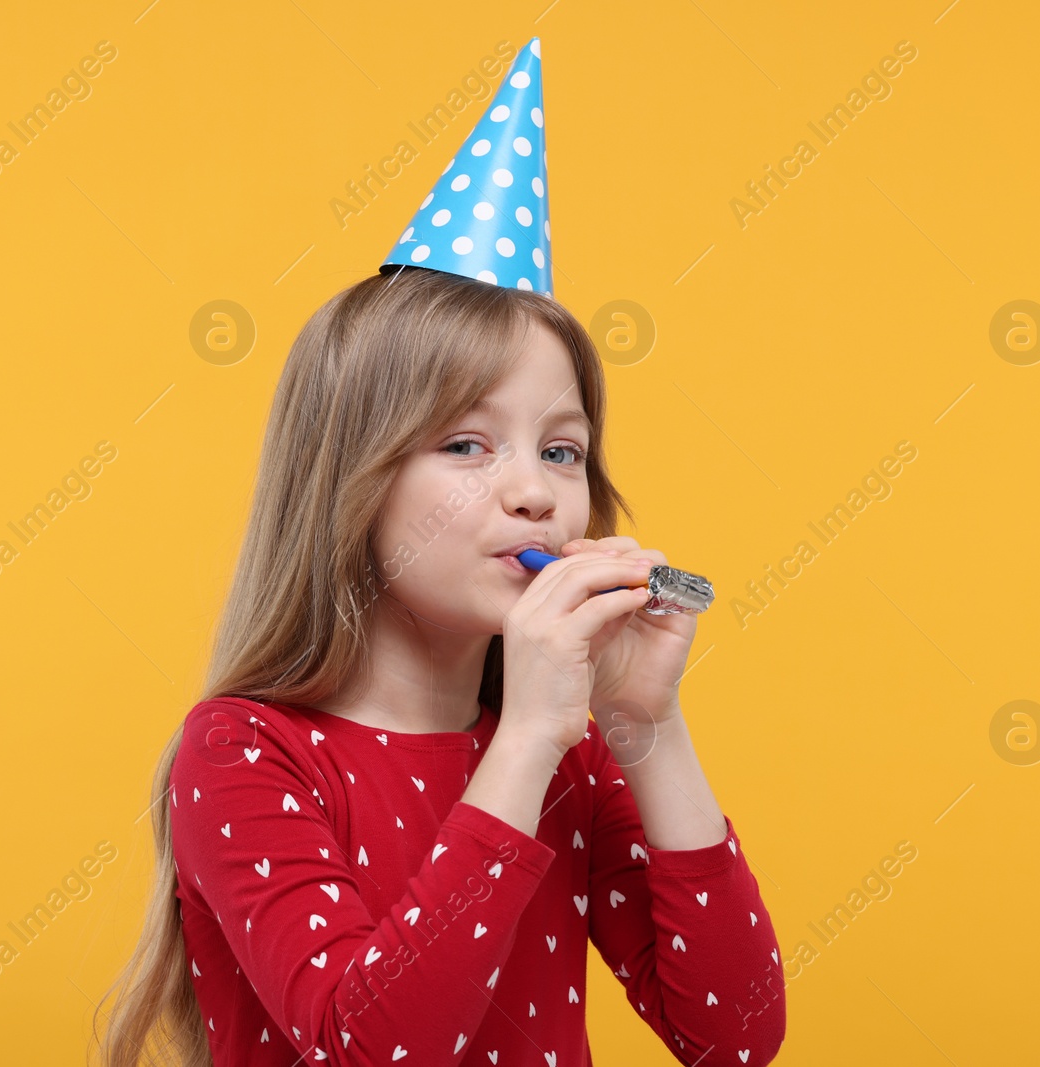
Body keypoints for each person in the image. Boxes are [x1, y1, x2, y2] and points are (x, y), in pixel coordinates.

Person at [97, 38, 785, 1067]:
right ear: (350, 485)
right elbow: (376, 1044)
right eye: (466, 443)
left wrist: (644, 724)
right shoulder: (244, 752)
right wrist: (530, 739)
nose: (533, 489)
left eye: (561, 449)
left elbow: (733, 1033)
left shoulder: (569, 752)